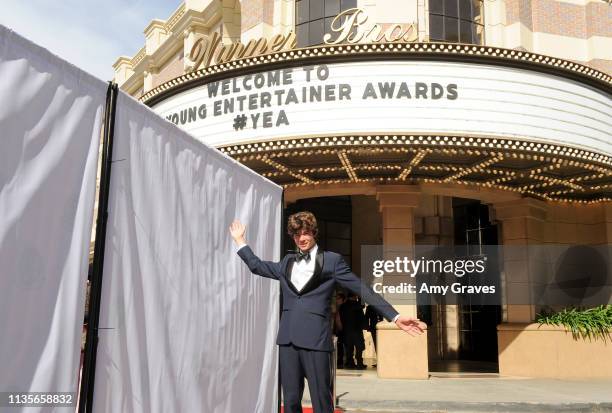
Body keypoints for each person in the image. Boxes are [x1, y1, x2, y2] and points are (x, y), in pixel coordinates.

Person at [229, 211, 426, 413]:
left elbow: (362, 288)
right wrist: (240, 241)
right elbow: (257, 266)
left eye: (305, 233)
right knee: (290, 401)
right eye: (296, 235)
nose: (301, 239)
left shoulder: (332, 261)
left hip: (316, 340)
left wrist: (396, 316)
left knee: (322, 400)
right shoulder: (287, 261)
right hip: (287, 341)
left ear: (314, 233)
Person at [339, 293, 367, 369]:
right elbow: (362, 309)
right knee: (359, 348)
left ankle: (350, 363)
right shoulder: (357, 305)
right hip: (357, 330)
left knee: (348, 348)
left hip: (346, 330)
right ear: (355, 296)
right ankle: (359, 364)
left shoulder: (343, 306)